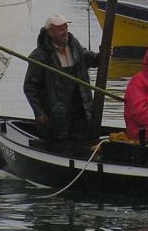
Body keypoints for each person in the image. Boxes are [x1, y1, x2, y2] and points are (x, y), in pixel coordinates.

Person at [23, 14, 99, 142]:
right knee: (60, 144)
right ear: (51, 32)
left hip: (80, 110)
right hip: (55, 114)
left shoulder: (74, 46)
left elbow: (88, 58)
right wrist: (39, 112)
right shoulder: (40, 56)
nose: (65, 32)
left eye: (66, 28)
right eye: (61, 29)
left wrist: (101, 55)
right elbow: (30, 87)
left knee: (81, 141)